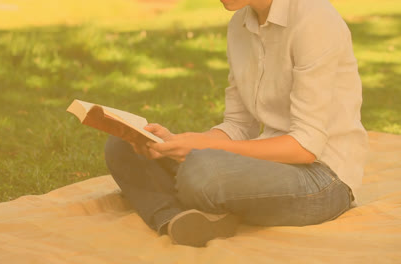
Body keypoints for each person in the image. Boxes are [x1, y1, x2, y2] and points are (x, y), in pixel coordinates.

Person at [104, 0, 367, 247]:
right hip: (267, 165)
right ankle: (177, 219)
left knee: (202, 172)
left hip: (323, 180)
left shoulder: (314, 19)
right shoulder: (240, 24)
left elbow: (305, 148)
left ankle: (192, 205)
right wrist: (176, 142)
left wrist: (202, 150)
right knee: (123, 146)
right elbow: (239, 125)